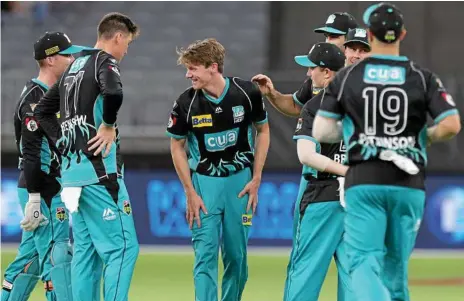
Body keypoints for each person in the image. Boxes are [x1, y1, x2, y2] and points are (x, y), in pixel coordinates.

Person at [312, 3, 461, 301]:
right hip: (408, 183)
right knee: (395, 269)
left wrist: (359, 131)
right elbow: (452, 125)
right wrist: (424, 137)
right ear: (402, 34)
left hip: (365, 179)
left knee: (364, 262)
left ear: (369, 34)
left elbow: (322, 132)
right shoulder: (422, 77)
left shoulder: (348, 77)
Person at [34, 13, 140, 301]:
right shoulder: (103, 61)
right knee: (123, 248)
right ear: (117, 37)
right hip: (99, 175)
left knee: (86, 252)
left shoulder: (71, 68)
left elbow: (42, 111)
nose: (126, 50)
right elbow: (114, 92)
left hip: (71, 177)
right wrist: (107, 125)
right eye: (127, 43)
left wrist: (64, 143)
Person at [166, 38, 270, 301]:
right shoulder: (185, 103)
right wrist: (189, 190)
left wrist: (256, 178)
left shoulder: (246, 93)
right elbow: (176, 146)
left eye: (193, 68)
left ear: (213, 67)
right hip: (204, 186)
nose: (188, 74)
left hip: (240, 184)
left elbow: (264, 130)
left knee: (237, 257)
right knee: (205, 256)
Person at [2, 31, 84, 301]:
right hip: (43, 188)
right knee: (57, 255)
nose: (72, 59)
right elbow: (32, 153)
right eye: (67, 54)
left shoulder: (50, 95)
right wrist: (36, 198)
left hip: (43, 186)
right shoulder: (34, 99)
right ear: (50, 60)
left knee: (32, 258)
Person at [280, 42, 351, 301]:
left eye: (312, 68)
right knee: (354, 277)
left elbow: (306, 155)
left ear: (328, 72)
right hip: (359, 200)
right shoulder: (363, 102)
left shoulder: (316, 105)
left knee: (305, 272)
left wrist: (345, 171)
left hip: (324, 196)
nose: (308, 74)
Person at [251, 12, 358, 117]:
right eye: (327, 36)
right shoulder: (318, 74)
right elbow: (295, 105)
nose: (327, 41)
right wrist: (272, 94)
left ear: (350, 40)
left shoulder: (364, 74)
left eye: (333, 36)